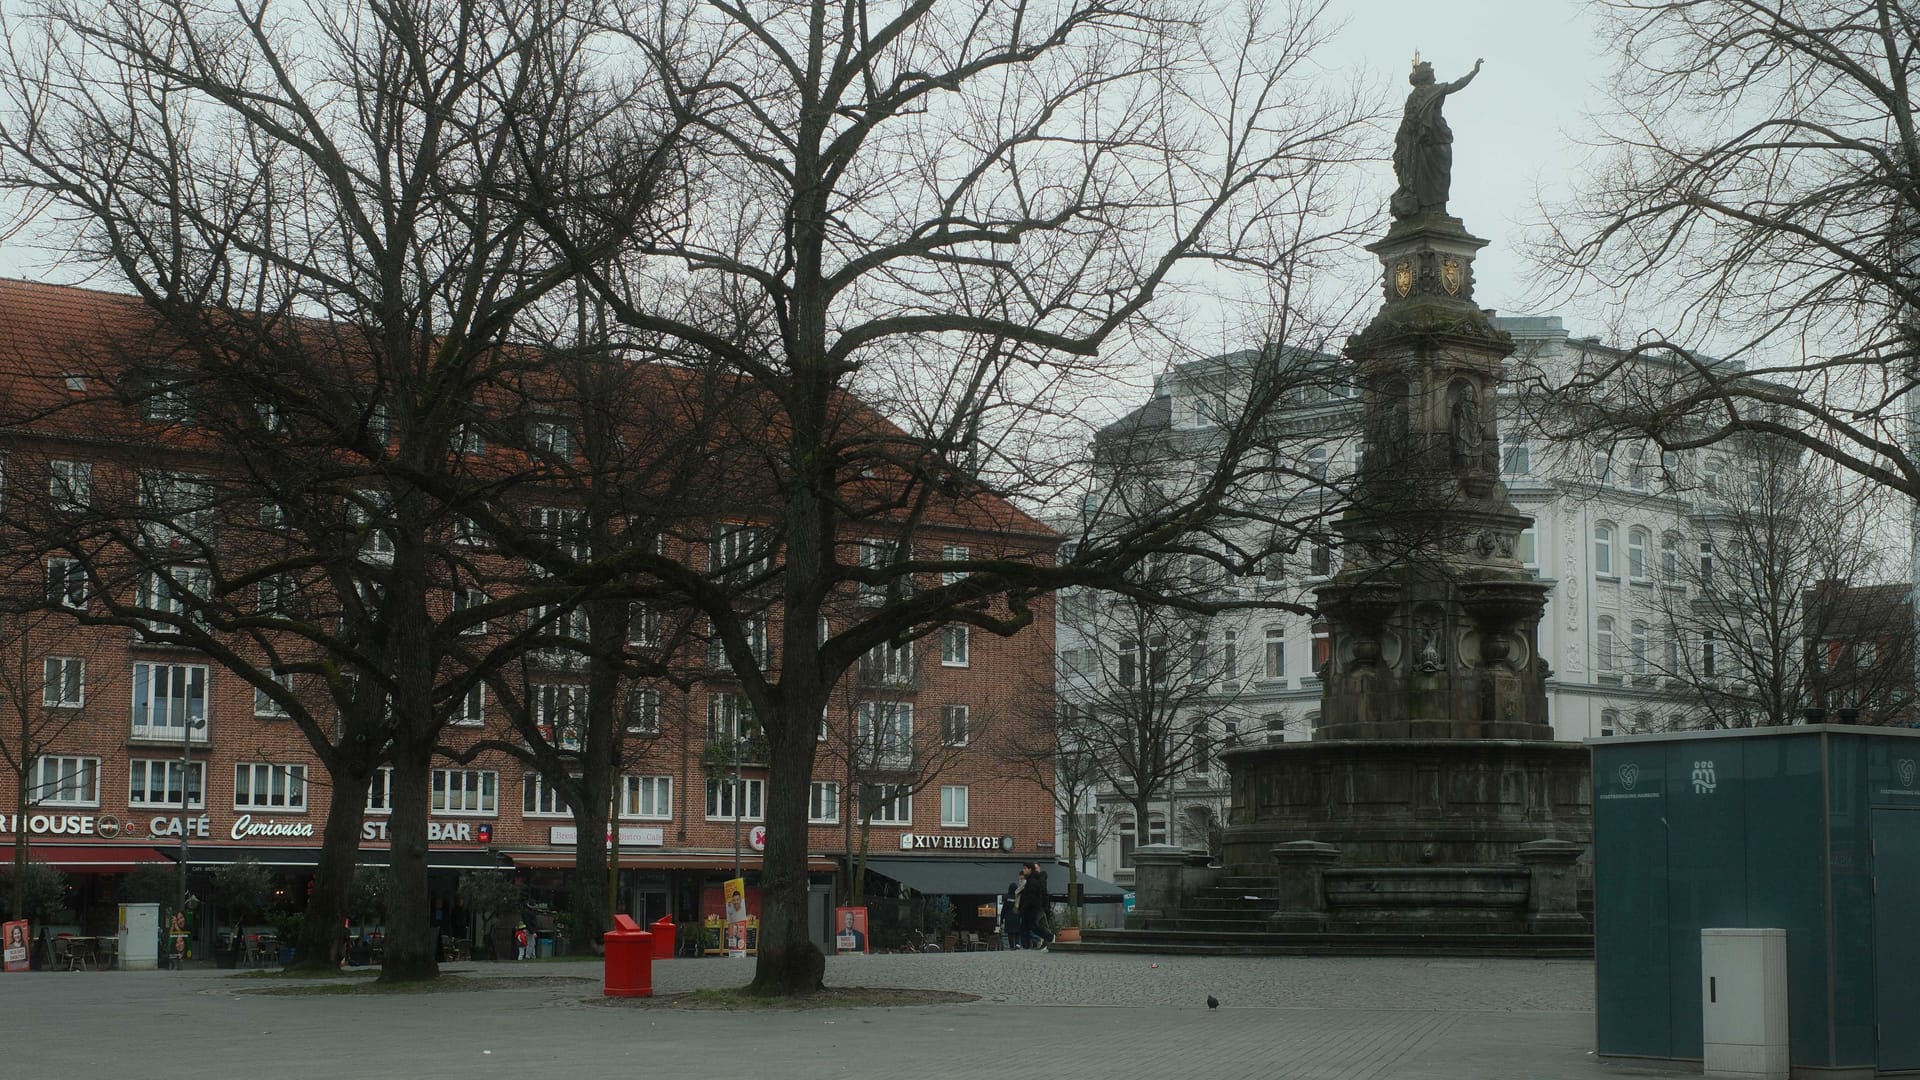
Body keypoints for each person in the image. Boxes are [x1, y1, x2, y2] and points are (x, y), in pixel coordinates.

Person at [1389, 56, 1483, 220]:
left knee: (1431, 175)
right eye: (1432, 73)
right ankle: (1433, 209)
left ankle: (1434, 208)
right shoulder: (1432, 90)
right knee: (1434, 175)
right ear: (1427, 77)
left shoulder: (1418, 95)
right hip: (1431, 139)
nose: (1435, 76)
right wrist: (1474, 72)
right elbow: (1457, 85)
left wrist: (1474, 72)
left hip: (1424, 140)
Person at [1017, 862, 1054, 951]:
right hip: (1031, 907)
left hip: (1033, 908)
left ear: (1030, 869)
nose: (1024, 870)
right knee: (1024, 927)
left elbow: (1031, 896)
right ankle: (1025, 946)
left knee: (1034, 926)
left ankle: (1050, 937)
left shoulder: (1033, 881)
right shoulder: (1030, 880)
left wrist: (1023, 907)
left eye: (1025, 868)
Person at [999, 877, 1023, 950]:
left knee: (1010, 933)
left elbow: (1004, 910)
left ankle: (1012, 946)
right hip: (1017, 917)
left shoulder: (1006, 898)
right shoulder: (1019, 897)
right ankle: (1017, 944)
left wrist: (1001, 920)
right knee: (1017, 932)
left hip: (1009, 918)